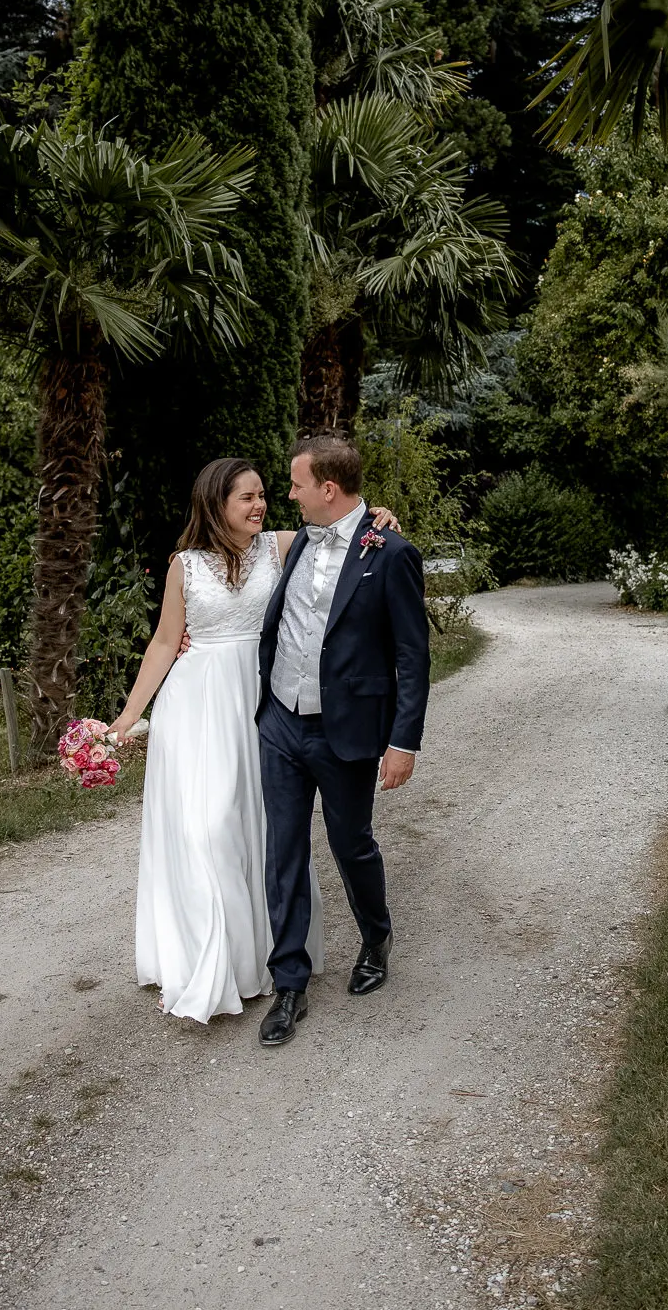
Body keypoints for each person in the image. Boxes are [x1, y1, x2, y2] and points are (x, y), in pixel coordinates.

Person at [111, 458, 400, 1025]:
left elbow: (345, 531)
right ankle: (212, 959)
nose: (261, 504)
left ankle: (268, 959)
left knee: (266, 831)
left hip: (265, 700)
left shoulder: (283, 546)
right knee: (210, 827)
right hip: (200, 707)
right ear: (215, 503)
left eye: (263, 494)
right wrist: (126, 718)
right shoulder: (183, 566)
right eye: (247, 497)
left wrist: (380, 518)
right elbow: (165, 643)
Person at [255, 434, 430, 1049]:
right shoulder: (297, 540)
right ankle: (289, 984)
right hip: (280, 721)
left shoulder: (391, 553)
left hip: (346, 729)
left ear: (328, 488)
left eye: (297, 484)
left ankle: (376, 937)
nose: (290, 495)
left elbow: (412, 655)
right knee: (283, 850)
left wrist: (403, 742)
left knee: (350, 844)